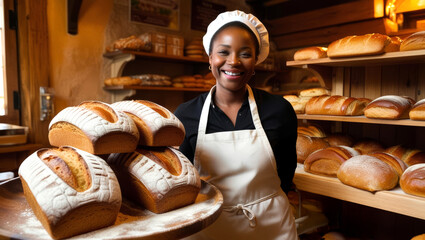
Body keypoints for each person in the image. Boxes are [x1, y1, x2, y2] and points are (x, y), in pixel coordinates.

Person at [174, 10, 298, 240]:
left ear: (256, 61)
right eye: (223, 52)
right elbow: (182, 183)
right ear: (210, 57)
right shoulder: (186, 115)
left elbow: (286, 172)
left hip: (271, 227)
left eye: (245, 53)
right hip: (208, 228)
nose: (233, 61)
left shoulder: (279, 110)